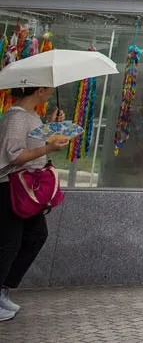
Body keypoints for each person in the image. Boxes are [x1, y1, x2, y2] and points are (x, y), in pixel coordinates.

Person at [0, 86, 71, 322]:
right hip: (11, 187)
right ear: (39, 90)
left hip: (28, 188)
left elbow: (32, 142)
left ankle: (4, 288)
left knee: (37, 235)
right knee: (9, 244)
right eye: (48, 89)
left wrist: (50, 126)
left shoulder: (31, 115)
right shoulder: (15, 117)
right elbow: (14, 155)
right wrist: (48, 147)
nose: (51, 92)